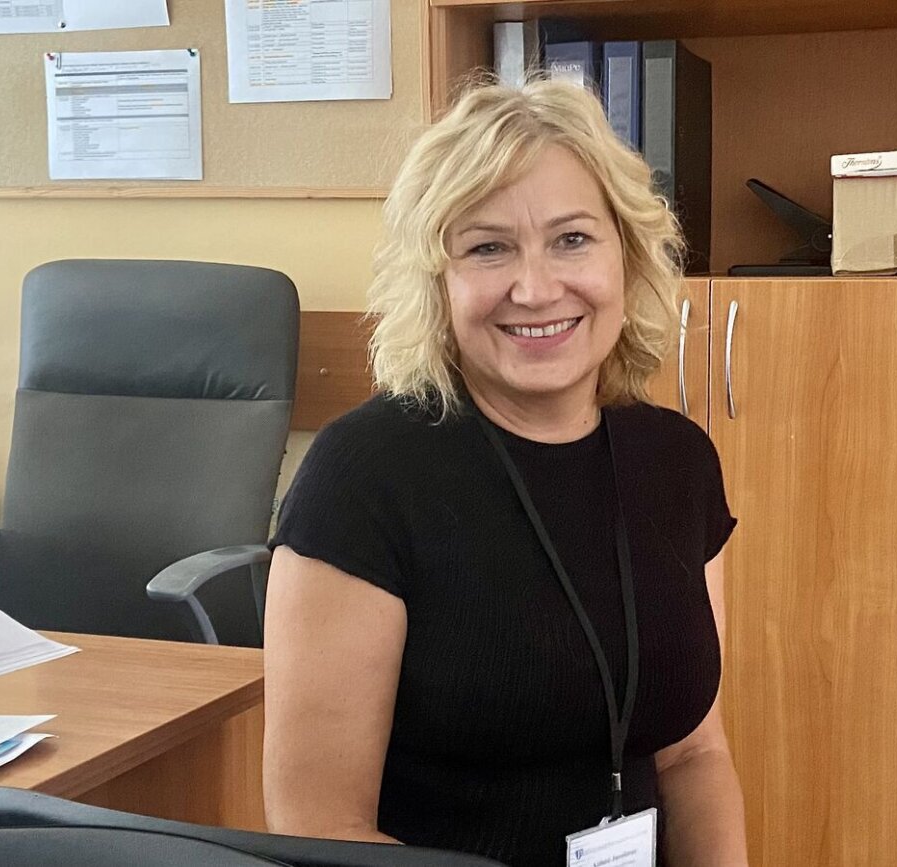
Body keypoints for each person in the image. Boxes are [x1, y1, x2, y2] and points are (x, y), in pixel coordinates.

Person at [262, 78, 748, 867]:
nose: (536, 288)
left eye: (572, 239)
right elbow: (316, 822)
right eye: (488, 247)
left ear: (627, 255)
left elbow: (694, 754)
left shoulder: (679, 462)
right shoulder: (362, 480)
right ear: (437, 278)